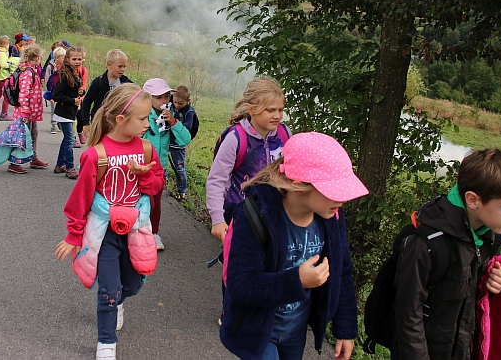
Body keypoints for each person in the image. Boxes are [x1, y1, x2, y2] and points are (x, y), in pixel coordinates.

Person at [221, 132, 366, 360]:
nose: (343, 199)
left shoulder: (331, 216)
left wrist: (345, 329)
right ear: (299, 185)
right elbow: (241, 285)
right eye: (334, 190)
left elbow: (342, 270)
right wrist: (297, 281)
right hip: (258, 331)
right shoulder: (256, 216)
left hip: (295, 331)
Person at [55, 84, 164, 360]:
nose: (147, 124)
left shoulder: (147, 150)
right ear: (120, 119)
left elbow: (156, 187)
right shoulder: (95, 155)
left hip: (136, 230)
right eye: (142, 119)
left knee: (133, 284)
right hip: (104, 233)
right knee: (108, 290)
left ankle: (118, 302)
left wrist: (142, 175)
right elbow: (80, 198)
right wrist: (73, 235)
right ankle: (106, 342)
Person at [393, 148, 501, 360]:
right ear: (473, 200)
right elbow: (407, 315)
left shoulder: (492, 235)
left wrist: (496, 282)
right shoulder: (425, 244)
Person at [207, 76, 291, 244]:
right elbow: (217, 180)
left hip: (276, 213)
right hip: (241, 214)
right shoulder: (236, 139)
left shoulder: (285, 134)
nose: (277, 115)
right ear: (251, 110)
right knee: (244, 265)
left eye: (280, 110)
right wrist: (217, 218)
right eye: (270, 110)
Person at [142, 78, 191, 250]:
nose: (165, 101)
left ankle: (154, 233)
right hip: (140, 170)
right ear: (147, 98)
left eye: (167, 97)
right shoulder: (141, 116)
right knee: (142, 204)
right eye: (160, 97)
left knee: (155, 204)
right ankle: (138, 233)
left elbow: (185, 139)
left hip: (159, 171)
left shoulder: (171, 116)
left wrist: (174, 123)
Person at [81, 49, 133, 142]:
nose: (123, 69)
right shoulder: (98, 82)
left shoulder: (126, 83)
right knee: (99, 149)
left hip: (118, 124)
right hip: (99, 123)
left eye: (124, 66)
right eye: (120, 66)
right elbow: (87, 102)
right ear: (109, 65)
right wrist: (85, 123)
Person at [52, 46, 85, 179]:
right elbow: (57, 95)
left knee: (67, 139)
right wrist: (73, 101)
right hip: (63, 112)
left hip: (70, 112)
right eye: (74, 59)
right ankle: (69, 167)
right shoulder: (65, 75)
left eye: (79, 59)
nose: (77, 61)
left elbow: (73, 92)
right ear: (67, 59)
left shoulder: (76, 73)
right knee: (70, 139)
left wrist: (81, 93)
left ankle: (60, 165)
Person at [16, 44, 48, 170]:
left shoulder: (32, 70)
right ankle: (15, 163)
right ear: (35, 57)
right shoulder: (27, 73)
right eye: (39, 57)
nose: (40, 59)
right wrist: (24, 111)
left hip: (31, 112)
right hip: (26, 112)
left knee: (33, 133)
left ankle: (33, 158)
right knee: (23, 136)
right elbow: (23, 92)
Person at [169, 85, 196, 201]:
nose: (176, 106)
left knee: (179, 168)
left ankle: (182, 191)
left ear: (188, 101)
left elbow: (188, 125)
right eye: (175, 102)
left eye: (180, 104)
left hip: (178, 144)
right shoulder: (170, 102)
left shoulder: (189, 111)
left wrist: (175, 124)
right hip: (167, 140)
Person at [46, 46, 68, 134]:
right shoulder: (50, 67)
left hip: (62, 92)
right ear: (57, 58)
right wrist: (49, 94)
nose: (65, 60)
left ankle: (60, 122)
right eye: (63, 58)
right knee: (53, 109)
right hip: (53, 92)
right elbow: (47, 81)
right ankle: (53, 125)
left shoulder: (65, 67)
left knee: (61, 108)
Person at [74, 47, 90, 148]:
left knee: (80, 118)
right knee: (71, 120)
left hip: (80, 98)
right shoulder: (70, 70)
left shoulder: (83, 70)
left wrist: (82, 92)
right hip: (70, 99)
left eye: (83, 58)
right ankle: (72, 138)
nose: (81, 61)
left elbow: (84, 83)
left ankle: (80, 132)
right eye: (79, 58)